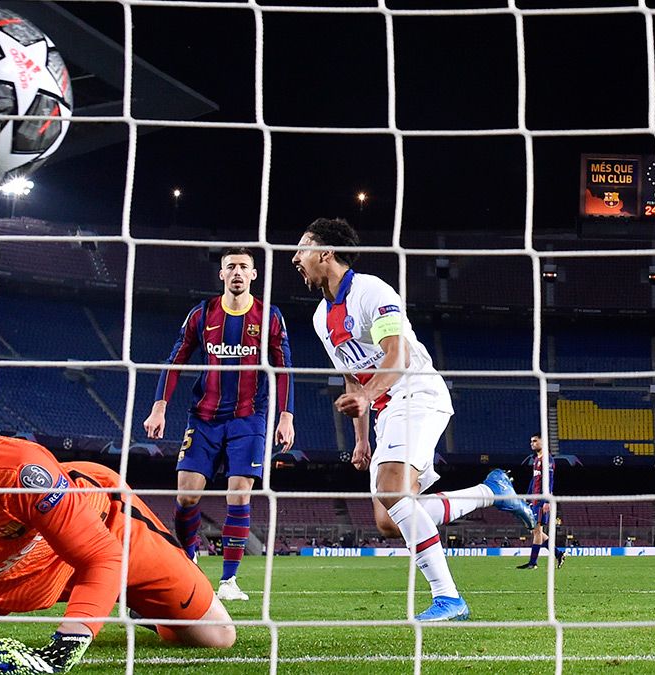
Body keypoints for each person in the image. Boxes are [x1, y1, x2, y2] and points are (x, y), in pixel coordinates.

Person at [0, 382, 235, 674]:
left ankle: (131, 603)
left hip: (102, 534)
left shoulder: (19, 471)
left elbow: (100, 555)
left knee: (216, 637)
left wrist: (64, 647)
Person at [292, 217, 513, 623]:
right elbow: (349, 374)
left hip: (417, 394)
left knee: (392, 492)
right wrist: (360, 439)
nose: (295, 258)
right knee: (389, 521)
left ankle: (449, 599)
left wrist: (367, 394)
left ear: (326, 252)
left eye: (302, 248)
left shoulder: (371, 291)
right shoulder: (321, 317)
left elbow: (398, 356)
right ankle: (490, 492)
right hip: (385, 409)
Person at [143, 247, 295, 602]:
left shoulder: (269, 316)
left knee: (239, 493)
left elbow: (284, 368)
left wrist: (286, 417)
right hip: (205, 416)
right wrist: (159, 407)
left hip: (249, 417)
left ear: (254, 275)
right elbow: (175, 359)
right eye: (231, 267)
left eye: (244, 266)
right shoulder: (202, 313)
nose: (238, 272)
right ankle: (191, 558)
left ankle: (228, 581)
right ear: (222, 274)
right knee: (186, 495)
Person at [517, 433, 567, 570]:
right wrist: (527, 497)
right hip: (535, 500)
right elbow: (534, 480)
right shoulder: (536, 459)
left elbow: (549, 481)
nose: (532, 443)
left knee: (537, 531)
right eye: (531, 441)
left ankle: (533, 563)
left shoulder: (547, 459)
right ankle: (558, 554)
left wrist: (546, 500)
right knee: (535, 532)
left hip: (541, 500)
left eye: (535, 441)